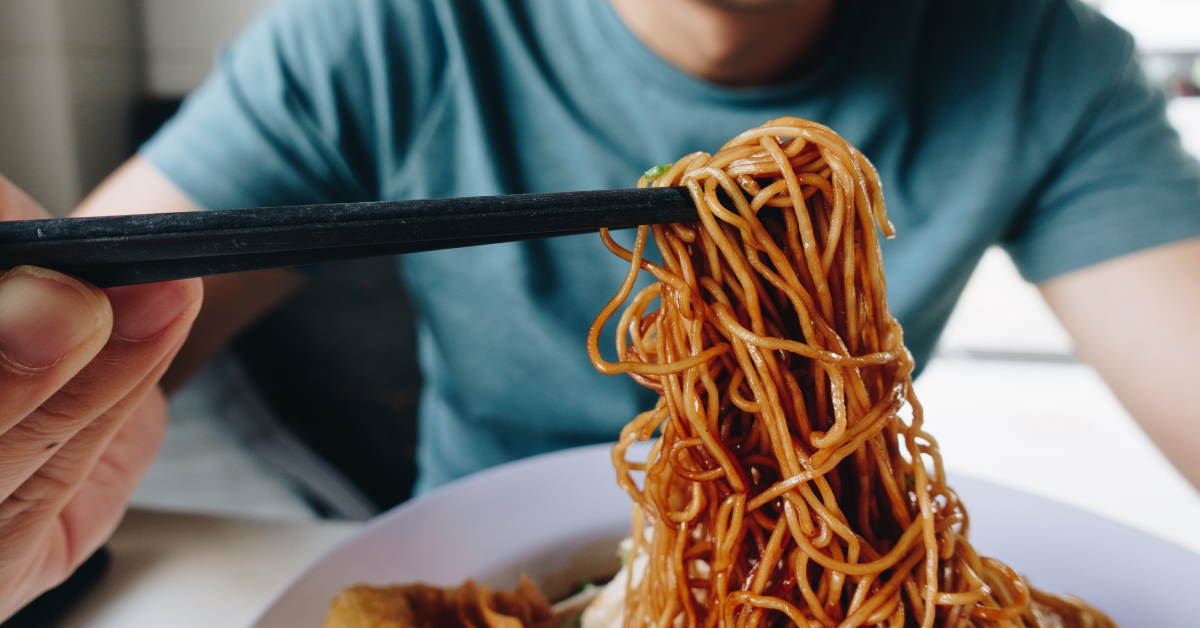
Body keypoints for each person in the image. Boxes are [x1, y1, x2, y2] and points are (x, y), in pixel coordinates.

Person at [1, 0, 1198, 618]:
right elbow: (95, 322)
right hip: (485, 579)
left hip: (853, 581)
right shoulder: (387, 29)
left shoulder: (1045, 56)